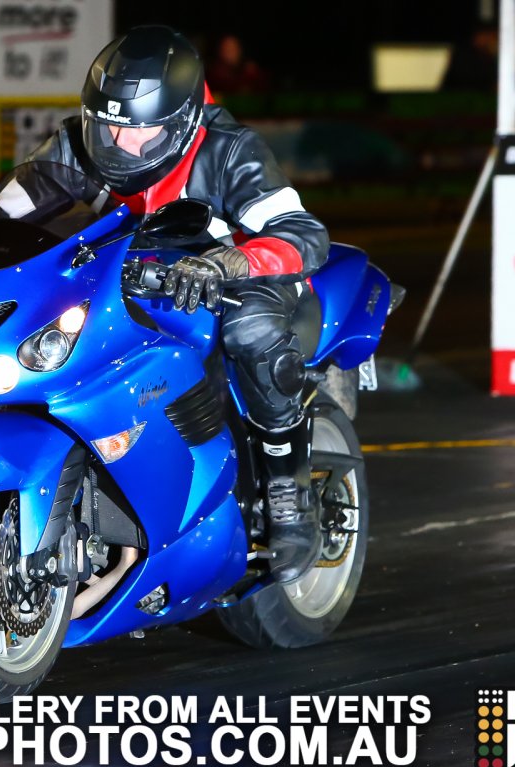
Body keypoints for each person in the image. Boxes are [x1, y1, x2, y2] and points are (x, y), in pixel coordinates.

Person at [26, 25, 330, 583]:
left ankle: (290, 495)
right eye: (109, 127)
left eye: (140, 133)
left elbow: (302, 235)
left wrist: (225, 263)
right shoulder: (81, 143)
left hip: (233, 276)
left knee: (251, 330)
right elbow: (14, 201)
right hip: (137, 279)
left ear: (183, 122)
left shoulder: (230, 150)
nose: (122, 146)